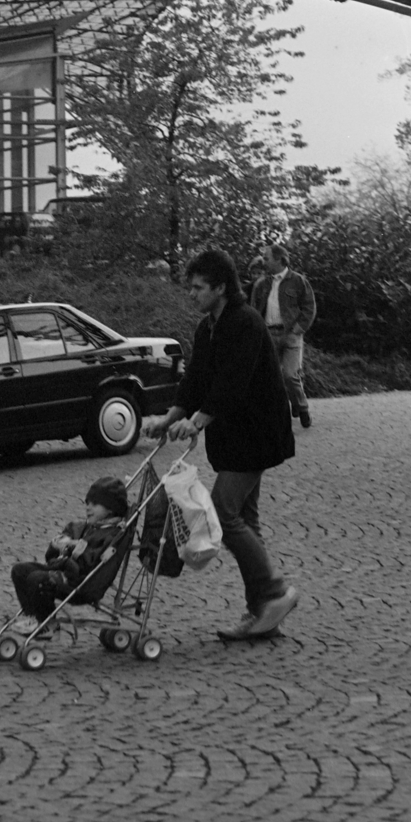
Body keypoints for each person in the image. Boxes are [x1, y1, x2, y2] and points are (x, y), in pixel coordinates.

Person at [144, 248, 299, 642]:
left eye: (198, 287)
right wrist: (170, 418)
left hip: (256, 434)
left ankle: (275, 593)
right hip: (234, 437)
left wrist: (196, 422)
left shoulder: (244, 323)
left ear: (221, 287)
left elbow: (233, 383)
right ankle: (263, 612)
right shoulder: (208, 327)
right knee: (245, 520)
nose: (192, 294)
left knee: (225, 517)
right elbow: (196, 380)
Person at [10, 477, 130, 625]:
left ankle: (47, 624)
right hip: (63, 572)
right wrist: (59, 545)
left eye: (95, 504)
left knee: (38, 579)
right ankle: (32, 615)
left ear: (110, 508)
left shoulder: (111, 536)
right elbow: (52, 557)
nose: (88, 508)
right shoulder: (86, 527)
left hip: (81, 583)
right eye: (87, 503)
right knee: (19, 570)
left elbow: (91, 562)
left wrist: (75, 547)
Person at [249, 243, 316, 428]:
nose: (264, 262)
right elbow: (254, 309)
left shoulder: (298, 281)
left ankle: (301, 408)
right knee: (269, 377)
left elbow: (309, 307)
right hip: (268, 334)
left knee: (289, 375)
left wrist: (298, 329)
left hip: (291, 335)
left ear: (280, 260)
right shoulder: (262, 284)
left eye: (267, 258)